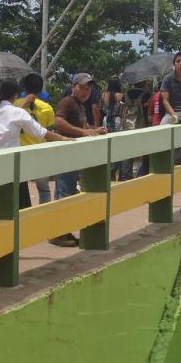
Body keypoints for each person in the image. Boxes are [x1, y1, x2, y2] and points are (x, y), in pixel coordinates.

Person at [0, 79, 71, 209]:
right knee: (18, 207)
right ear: (16, 95)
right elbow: (41, 132)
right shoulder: (18, 112)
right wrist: (62, 138)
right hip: (12, 165)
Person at [50, 73, 107, 246]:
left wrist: (93, 130)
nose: (85, 92)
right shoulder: (67, 102)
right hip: (65, 153)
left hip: (73, 155)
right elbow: (58, 122)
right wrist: (83, 132)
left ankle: (62, 231)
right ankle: (59, 233)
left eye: (88, 89)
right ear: (73, 87)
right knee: (65, 192)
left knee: (68, 191)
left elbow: (81, 126)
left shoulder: (80, 105)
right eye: (81, 88)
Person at [15, 72, 57, 204]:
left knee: (19, 189)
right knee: (44, 189)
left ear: (24, 87)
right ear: (41, 87)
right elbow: (49, 132)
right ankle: (46, 218)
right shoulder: (47, 108)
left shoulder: (15, 104)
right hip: (40, 153)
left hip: (19, 152)